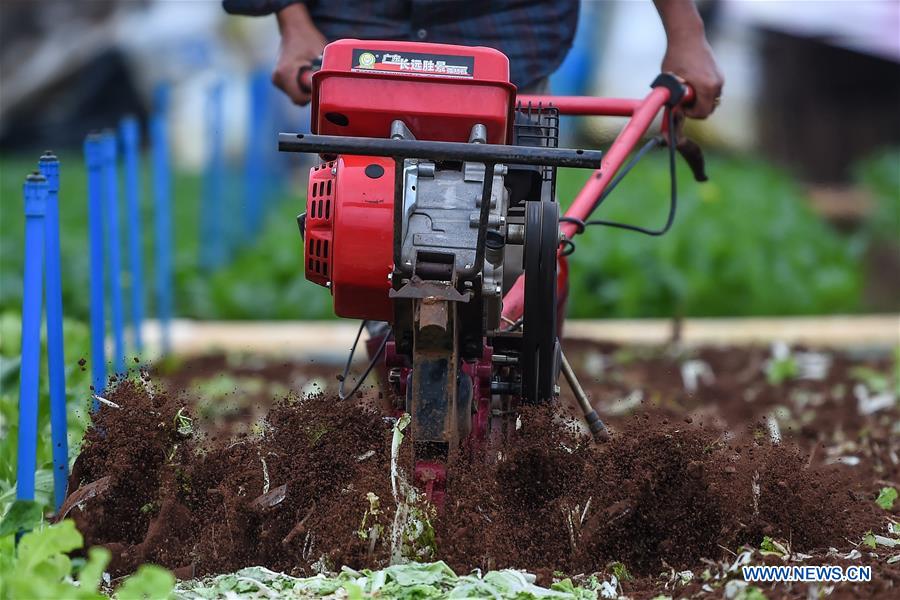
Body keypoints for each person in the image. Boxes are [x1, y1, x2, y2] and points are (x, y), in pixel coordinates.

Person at [223, 0, 723, 118]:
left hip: (508, 28)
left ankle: (527, 351)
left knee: (519, 221)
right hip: (361, 30)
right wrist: (292, 22)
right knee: (363, 214)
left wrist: (685, 32)